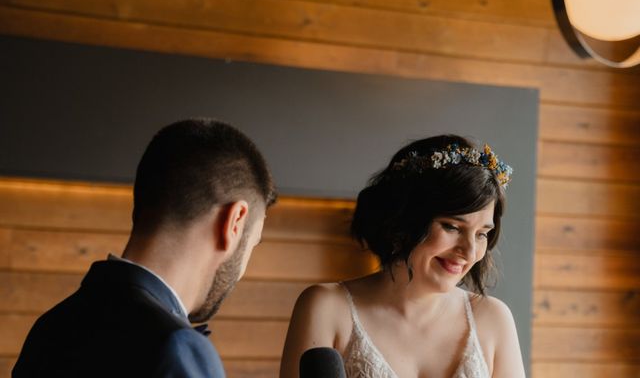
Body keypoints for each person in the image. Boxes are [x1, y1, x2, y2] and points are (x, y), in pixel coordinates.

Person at [13, 118, 276, 378]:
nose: (242, 271)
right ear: (234, 222)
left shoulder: (51, 327)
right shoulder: (176, 347)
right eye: (253, 243)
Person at [280, 135, 525, 378]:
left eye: (482, 234)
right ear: (402, 221)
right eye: (452, 227)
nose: (469, 252)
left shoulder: (494, 319)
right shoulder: (327, 308)